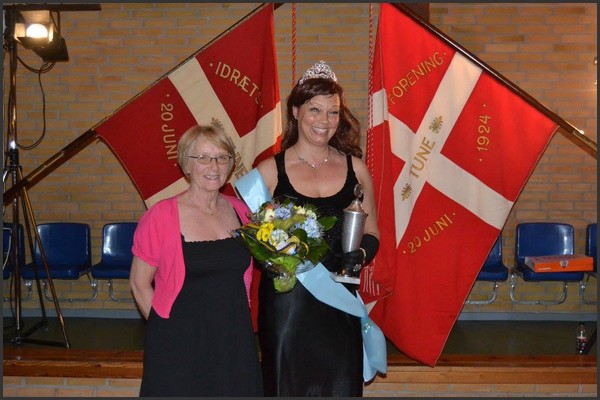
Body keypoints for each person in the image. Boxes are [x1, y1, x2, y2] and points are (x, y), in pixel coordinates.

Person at [255, 60, 381, 397]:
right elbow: (254, 242)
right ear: (296, 111)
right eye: (314, 109)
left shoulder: (357, 169)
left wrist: (361, 254)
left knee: (340, 385)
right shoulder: (268, 172)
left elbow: (373, 231)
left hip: (339, 301)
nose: (324, 121)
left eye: (333, 112)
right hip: (288, 306)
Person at [129, 124, 263, 397]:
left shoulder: (242, 211)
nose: (214, 166)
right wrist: (165, 332)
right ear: (186, 165)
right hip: (180, 342)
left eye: (222, 157)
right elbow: (139, 284)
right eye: (203, 157)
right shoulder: (160, 216)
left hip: (233, 338)